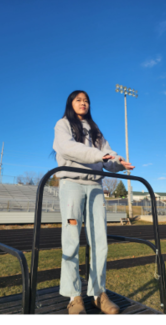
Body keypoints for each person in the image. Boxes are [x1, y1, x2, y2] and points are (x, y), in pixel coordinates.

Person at [53, 90, 132, 315]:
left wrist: (119, 162)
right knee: (71, 240)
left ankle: (99, 294)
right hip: (72, 184)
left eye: (86, 100)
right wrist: (100, 156)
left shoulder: (96, 130)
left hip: (95, 186)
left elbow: (108, 156)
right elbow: (69, 149)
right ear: (71, 103)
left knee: (100, 240)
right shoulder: (62, 125)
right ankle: (74, 296)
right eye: (79, 100)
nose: (83, 103)